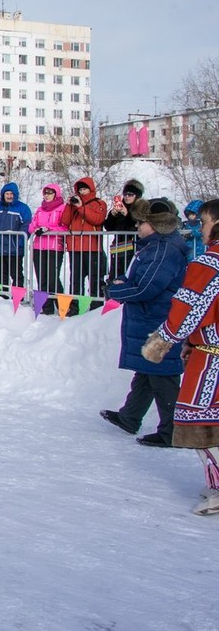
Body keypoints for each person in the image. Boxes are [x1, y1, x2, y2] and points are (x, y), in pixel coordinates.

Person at [145, 198, 219, 515]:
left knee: (201, 421)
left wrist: (165, 340)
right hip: (207, 347)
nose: (200, 228)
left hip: (212, 358)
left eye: (203, 222)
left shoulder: (209, 262)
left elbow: (190, 306)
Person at [100, 198, 190, 449]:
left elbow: (146, 287)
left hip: (159, 318)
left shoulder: (164, 249)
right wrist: (121, 283)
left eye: (141, 222)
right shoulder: (154, 246)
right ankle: (130, 416)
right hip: (151, 316)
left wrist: (115, 291)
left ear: (156, 224)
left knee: (162, 375)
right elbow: (136, 278)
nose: (137, 226)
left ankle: (172, 431)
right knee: (147, 370)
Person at [61, 176, 108, 309]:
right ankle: (75, 306)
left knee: (95, 279)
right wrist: (70, 205)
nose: (82, 192)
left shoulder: (99, 203)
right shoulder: (74, 205)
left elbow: (97, 219)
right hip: (75, 248)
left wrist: (81, 208)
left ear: (90, 189)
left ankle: (96, 306)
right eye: (80, 189)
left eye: (84, 189)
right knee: (76, 280)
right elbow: (65, 220)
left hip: (92, 248)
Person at [30, 184, 69, 313]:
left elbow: (65, 227)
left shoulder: (62, 208)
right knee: (42, 277)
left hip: (54, 247)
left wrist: (49, 229)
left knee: (53, 277)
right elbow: (32, 226)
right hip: (39, 247)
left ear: (56, 194)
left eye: (50, 193)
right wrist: (36, 229)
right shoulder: (40, 210)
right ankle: (46, 307)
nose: (47, 195)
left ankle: (61, 306)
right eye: (45, 193)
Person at [0, 183, 31, 290]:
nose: (9, 196)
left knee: (16, 274)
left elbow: (26, 226)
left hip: (14, 249)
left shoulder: (23, 208)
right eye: (7, 193)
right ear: (3, 195)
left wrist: (19, 242)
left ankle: (18, 298)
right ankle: (3, 297)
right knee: (1, 274)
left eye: (11, 194)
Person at [104, 179, 143, 281]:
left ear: (137, 196)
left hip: (134, 247)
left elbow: (140, 225)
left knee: (130, 274)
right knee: (115, 275)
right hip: (119, 246)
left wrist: (127, 215)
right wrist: (112, 215)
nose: (127, 197)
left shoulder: (141, 207)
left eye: (130, 194)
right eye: (125, 194)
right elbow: (108, 227)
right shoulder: (120, 207)